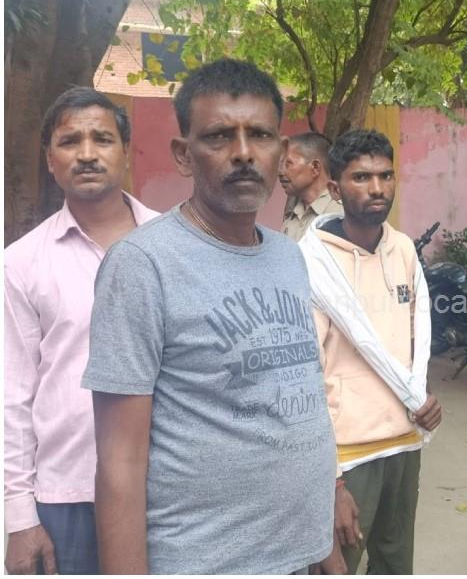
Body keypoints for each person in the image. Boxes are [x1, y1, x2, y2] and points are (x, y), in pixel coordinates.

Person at [80, 58, 337, 574]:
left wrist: (326, 546)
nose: (243, 153)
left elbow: (300, 401)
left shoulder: (288, 256)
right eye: (220, 136)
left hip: (299, 553)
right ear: (184, 154)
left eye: (260, 135)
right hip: (204, 561)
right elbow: (120, 462)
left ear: (281, 152)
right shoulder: (142, 265)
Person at [4, 87, 157, 575]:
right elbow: (12, 394)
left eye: (102, 139)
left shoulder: (173, 246)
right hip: (68, 496)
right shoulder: (21, 263)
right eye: (70, 141)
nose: (87, 154)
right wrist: (19, 517)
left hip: (166, 486)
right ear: (50, 161)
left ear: (126, 151)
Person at [299, 129, 441, 575]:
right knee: (335, 567)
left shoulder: (403, 249)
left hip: (404, 440)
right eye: (361, 177)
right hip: (347, 455)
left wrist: (420, 393)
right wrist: (332, 483)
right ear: (335, 188)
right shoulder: (311, 262)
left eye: (385, 175)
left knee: (395, 565)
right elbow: (305, 376)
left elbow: (416, 338)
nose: (377, 188)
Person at [281, 132, 343, 241]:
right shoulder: (291, 218)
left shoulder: (342, 215)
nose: (280, 172)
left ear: (315, 168)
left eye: (288, 164)